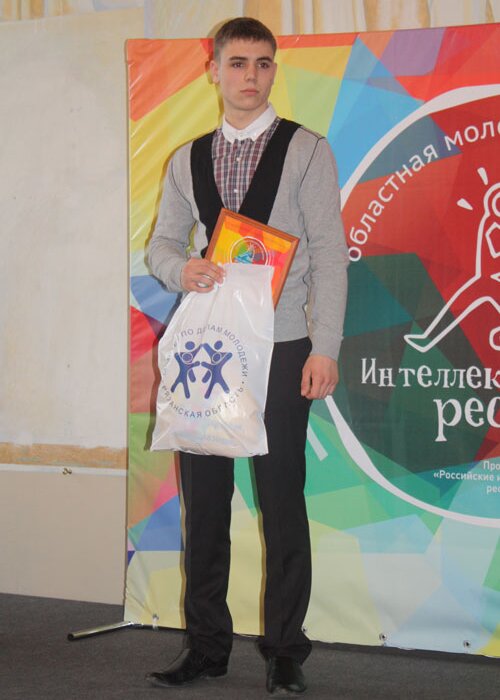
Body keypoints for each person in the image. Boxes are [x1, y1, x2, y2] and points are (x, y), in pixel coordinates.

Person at [146, 17, 348, 696]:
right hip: (210, 349)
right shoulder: (186, 159)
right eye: (237, 63)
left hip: (285, 349)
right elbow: (161, 246)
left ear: (274, 71)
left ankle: (285, 651)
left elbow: (331, 255)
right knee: (205, 505)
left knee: (282, 499)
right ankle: (206, 647)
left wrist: (325, 347)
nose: (250, 76)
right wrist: (182, 269)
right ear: (213, 70)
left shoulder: (307, 150)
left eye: (263, 63)